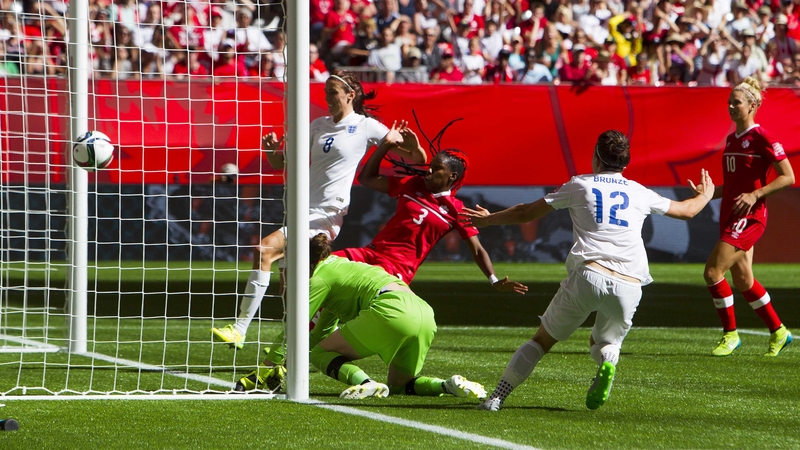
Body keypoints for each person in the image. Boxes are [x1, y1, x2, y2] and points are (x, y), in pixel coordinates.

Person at [461, 130, 716, 411]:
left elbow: (525, 213)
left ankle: (497, 397)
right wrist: (705, 195)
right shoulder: (639, 192)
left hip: (590, 275)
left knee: (542, 341)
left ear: (596, 158)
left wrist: (488, 220)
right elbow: (688, 210)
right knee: (603, 342)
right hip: (630, 283)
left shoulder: (580, 185)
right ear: (625, 164)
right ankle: (608, 362)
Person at [211, 71, 427, 349]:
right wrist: (270, 152)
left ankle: (239, 329)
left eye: (333, 92)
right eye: (326, 93)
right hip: (302, 208)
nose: (328, 98)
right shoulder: (317, 125)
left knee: (265, 250)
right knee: (289, 287)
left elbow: (417, 159)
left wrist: (415, 146)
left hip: (326, 213)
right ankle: (299, 343)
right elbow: (280, 164)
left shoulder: (366, 126)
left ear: (351, 95)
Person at [236, 234, 488, 401]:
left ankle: (366, 382)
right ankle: (448, 385)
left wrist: (269, 367)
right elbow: (322, 332)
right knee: (401, 386)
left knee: (320, 356)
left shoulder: (319, 278)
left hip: (391, 310)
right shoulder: (340, 267)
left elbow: (296, 327)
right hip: (424, 312)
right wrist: (289, 363)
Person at [335, 119, 527, 291]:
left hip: (395, 270)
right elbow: (367, 178)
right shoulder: (412, 184)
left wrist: (493, 280)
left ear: (452, 176)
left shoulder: (457, 209)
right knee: (318, 267)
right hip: (369, 253)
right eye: (430, 166)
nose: (429, 172)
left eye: (437, 169)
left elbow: (477, 250)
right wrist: (385, 144)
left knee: (348, 295)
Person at [702, 77, 794, 357]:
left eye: (737, 102)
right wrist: (708, 193)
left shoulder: (763, 138)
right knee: (743, 281)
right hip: (730, 214)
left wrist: (756, 195)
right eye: (729, 102)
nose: (730, 106)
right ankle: (780, 331)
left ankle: (730, 335)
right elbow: (732, 186)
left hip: (750, 217)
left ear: (752, 106)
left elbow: (788, 177)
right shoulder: (732, 139)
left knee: (712, 272)